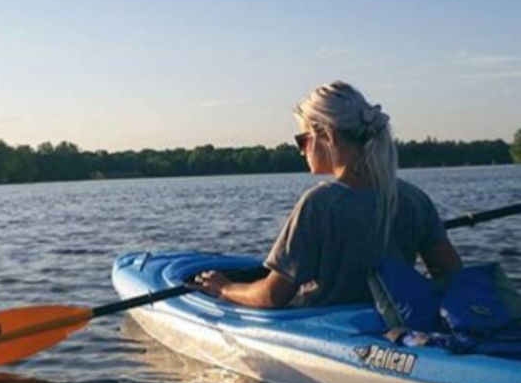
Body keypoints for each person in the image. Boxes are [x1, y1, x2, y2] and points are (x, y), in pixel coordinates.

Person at [193, 81, 462, 308]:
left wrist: (225, 289)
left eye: (302, 140)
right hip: (393, 327)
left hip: (329, 331)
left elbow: (273, 295)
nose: (301, 151)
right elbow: (451, 275)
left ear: (327, 135)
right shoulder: (413, 199)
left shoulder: (319, 203)